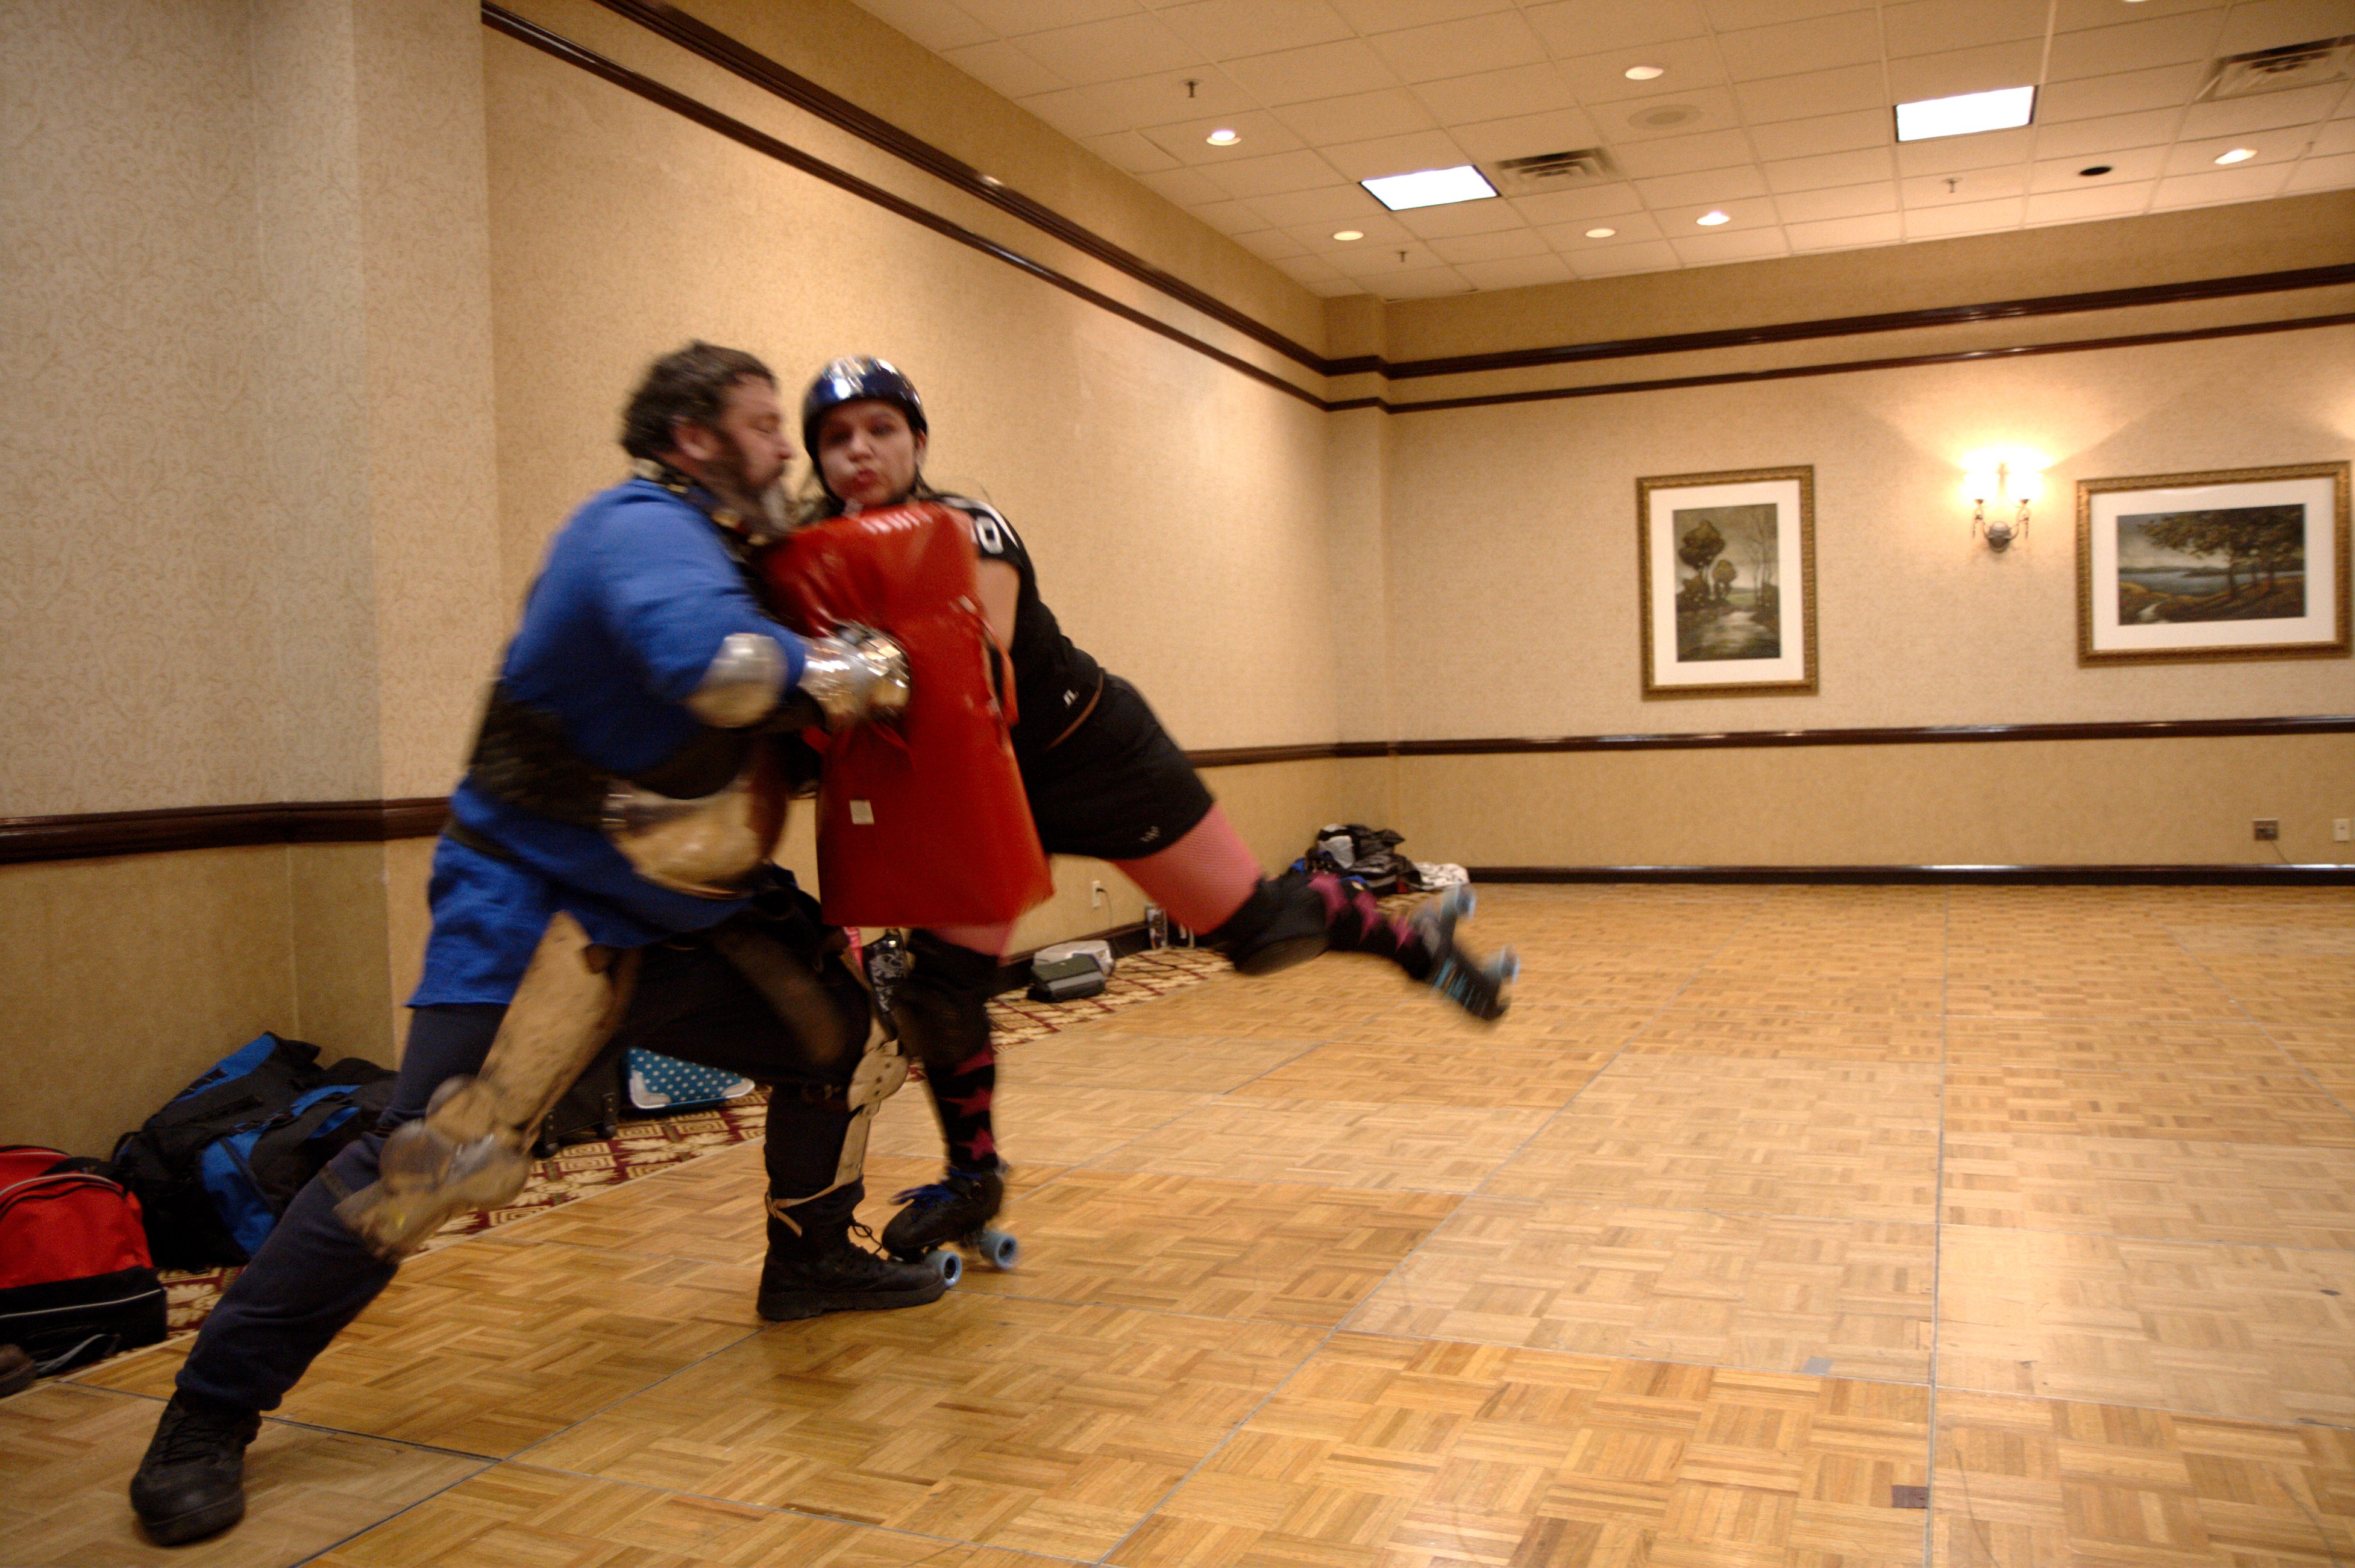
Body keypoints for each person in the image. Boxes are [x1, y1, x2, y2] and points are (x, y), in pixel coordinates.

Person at [128, 343, 934, 1548]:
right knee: (435, 1160)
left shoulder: (736, 555)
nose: (786, 446)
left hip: (689, 913)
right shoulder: (636, 531)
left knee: (847, 1045)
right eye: (765, 423)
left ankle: (811, 1260)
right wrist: (858, 667)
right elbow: (715, 671)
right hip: (540, 904)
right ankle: (207, 1411)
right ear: (694, 440)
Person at [795, 356, 1518, 1269]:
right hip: (985, 789)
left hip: (1093, 754)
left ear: (919, 441)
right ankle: (973, 1175)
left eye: (881, 429)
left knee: (1259, 933)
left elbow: (975, 670)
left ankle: (1418, 945)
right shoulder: (822, 559)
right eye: (837, 438)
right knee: (942, 988)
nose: (860, 451)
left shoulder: (968, 527)